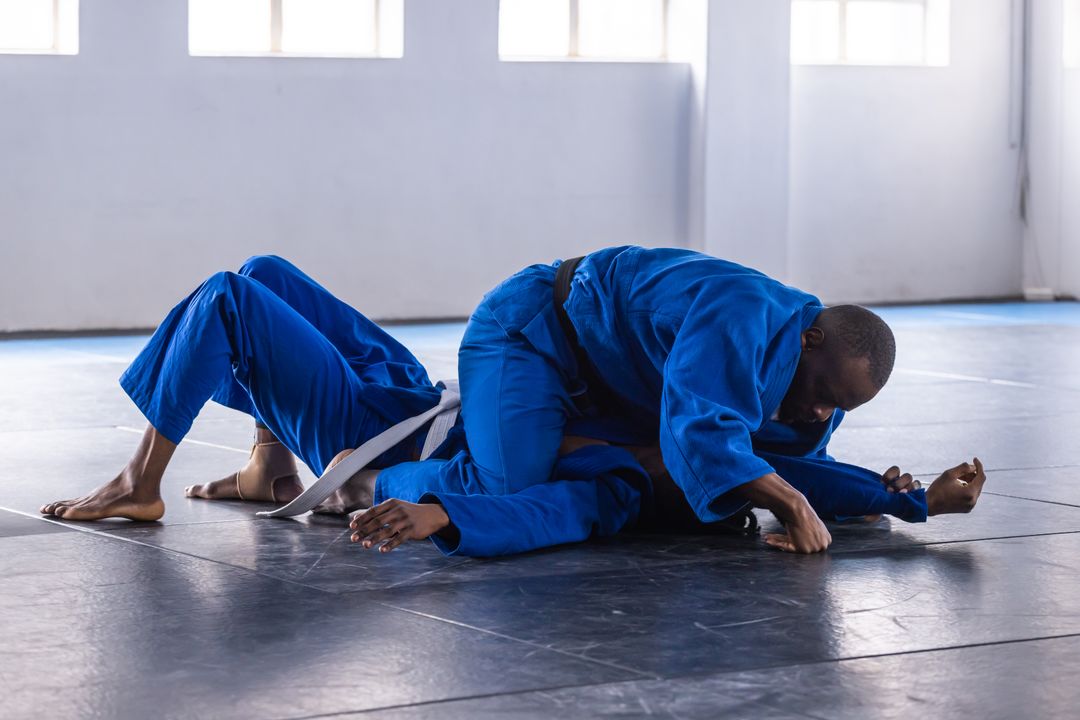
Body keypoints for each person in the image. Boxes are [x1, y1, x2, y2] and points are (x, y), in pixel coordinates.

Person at [39, 251, 986, 556]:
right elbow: (740, 448)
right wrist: (816, 497)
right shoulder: (743, 325)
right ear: (815, 337)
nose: (816, 417)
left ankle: (269, 461)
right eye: (822, 395)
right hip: (516, 344)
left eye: (835, 411)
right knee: (232, 302)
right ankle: (141, 481)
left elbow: (792, 456)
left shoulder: (619, 479)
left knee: (253, 283)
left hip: (392, 422)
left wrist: (903, 495)